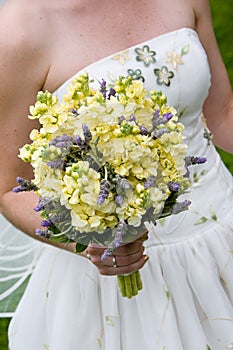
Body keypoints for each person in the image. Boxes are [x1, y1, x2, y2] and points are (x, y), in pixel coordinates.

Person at [0, 0, 232, 349]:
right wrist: (87, 238)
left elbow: (223, 111)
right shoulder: (20, 31)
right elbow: (9, 188)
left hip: (223, 227)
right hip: (120, 269)